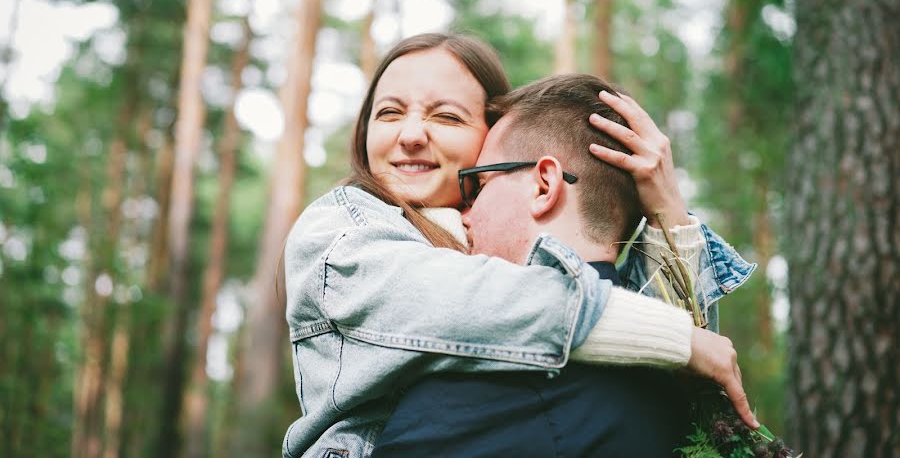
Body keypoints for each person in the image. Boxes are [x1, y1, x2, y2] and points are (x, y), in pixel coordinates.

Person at [282, 33, 756, 458]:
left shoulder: (507, 253)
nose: (409, 136)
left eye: (445, 116)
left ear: (489, 137)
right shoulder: (340, 233)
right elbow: (469, 303)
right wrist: (675, 338)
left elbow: (695, 388)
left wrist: (668, 211)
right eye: (388, 112)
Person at [372, 73, 709, 457]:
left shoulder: (464, 400)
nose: (463, 212)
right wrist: (670, 212)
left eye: (476, 186)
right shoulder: (680, 381)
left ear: (543, 187)